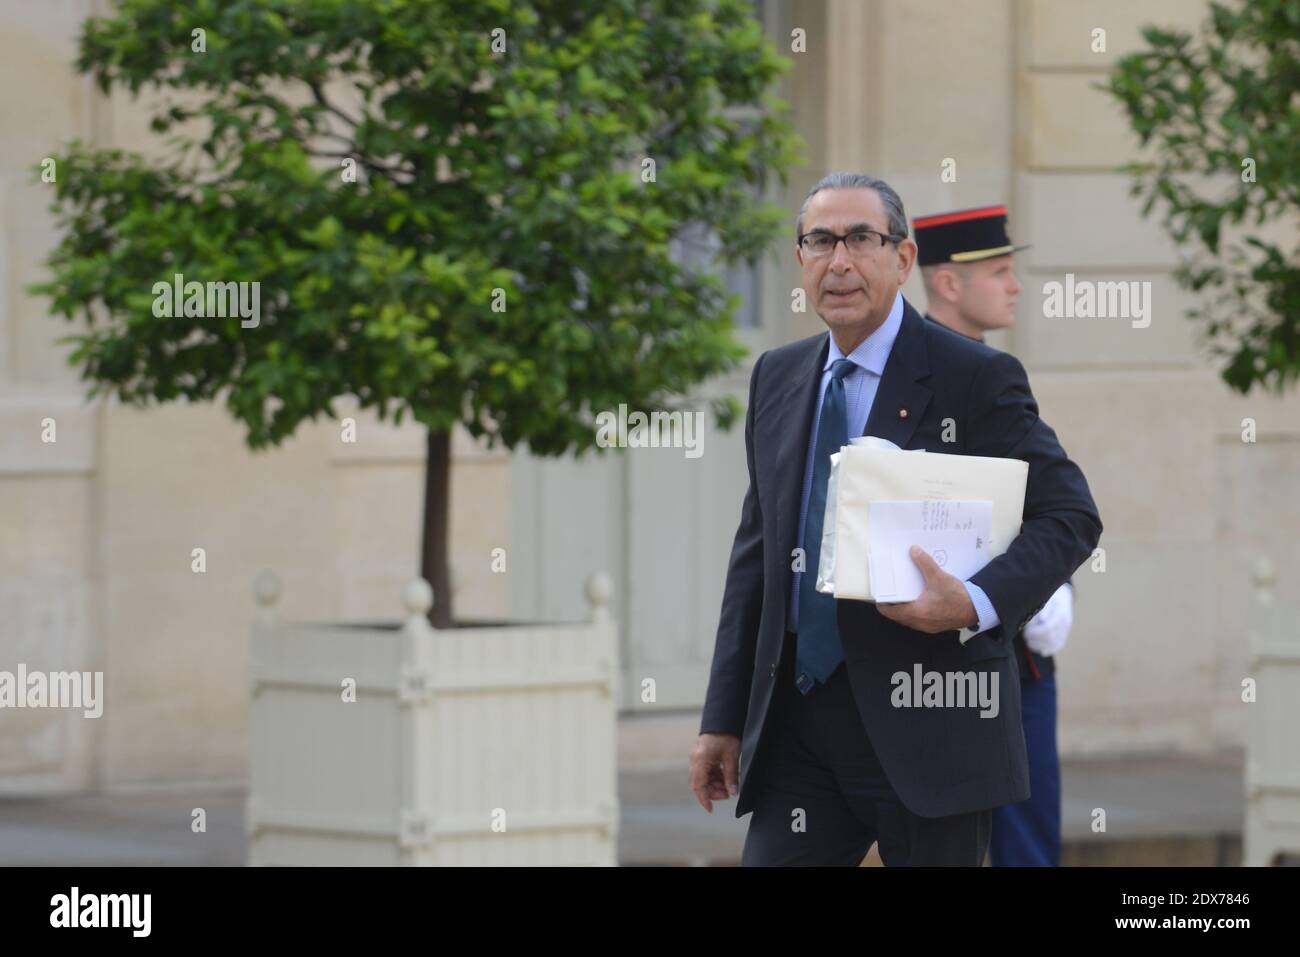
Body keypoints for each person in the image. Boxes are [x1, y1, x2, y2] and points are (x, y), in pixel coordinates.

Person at [688, 173, 1101, 866]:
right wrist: (722, 718)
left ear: (904, 259)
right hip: (798, 733)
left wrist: (972, 600)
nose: (839, 261)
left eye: (861, 239)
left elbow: (1070, 514)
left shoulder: (973, 377)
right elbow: (757, 556)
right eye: (820, 240)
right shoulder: (777, 377)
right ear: (799, 260)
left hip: (931, 728)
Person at [915, 203, 1076, 867]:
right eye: (1001, 272)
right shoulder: (912, 376)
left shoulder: (993, 370)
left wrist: (1048, 587)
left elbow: (1043, 500)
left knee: (1028, 839)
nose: (1015, 286)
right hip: (934, 653)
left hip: (1019, 653)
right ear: (949, 283)